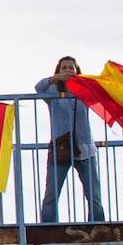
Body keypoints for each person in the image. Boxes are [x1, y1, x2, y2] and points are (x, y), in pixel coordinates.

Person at [36, 55, 105, 223]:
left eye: (71, 67)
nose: (68, 70)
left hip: (85, 148)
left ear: (77, 71)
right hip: (60, 148)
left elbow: (102, 91)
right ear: (58, 71)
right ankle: (48, 229)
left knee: (93, 194)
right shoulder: (52, 91)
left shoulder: (85, 91)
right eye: (64, 68)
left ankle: (97, 227)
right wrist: (54, 79)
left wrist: (83, 82)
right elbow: (38, 87)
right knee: (51, 193)